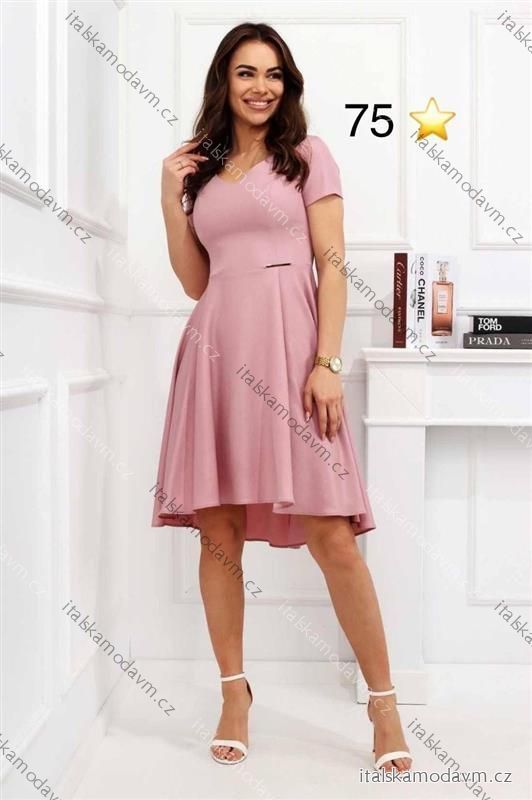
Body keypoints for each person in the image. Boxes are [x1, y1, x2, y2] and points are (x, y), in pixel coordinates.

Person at [152, 21, 412, 773]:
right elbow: (196, 282)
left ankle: (384, 704)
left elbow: (332, 264)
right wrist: (170, 196)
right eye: (245, 73)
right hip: (215, 351)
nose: (260, 86)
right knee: (219, 531)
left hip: (295, 350)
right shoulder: (199, 170)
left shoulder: (308, 155)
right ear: (224, 82)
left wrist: (327, 360)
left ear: (287, 83)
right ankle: (234, 693)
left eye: (272, 74)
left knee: (333, 535)